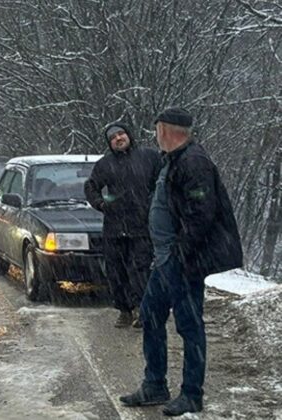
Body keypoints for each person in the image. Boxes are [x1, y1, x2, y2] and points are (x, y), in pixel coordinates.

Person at [120, 107, 243, 416]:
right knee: (149, 315)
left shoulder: (194, 162)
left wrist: (180, 254)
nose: (155, 135)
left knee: (189, 327)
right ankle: (155, 385)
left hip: (183, 262)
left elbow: (201, 215)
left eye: (157, 129)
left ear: (166, 130)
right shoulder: (172, 160)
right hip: (165, 262)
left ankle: (192, 394)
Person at [85, 122, 161, 328]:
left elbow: (163, 182)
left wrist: (157, 207)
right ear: (110, 144)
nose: (118, 138)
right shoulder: (104, 164)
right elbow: (91, 187)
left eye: (121, 134)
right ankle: (124, 310)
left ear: (129, 135)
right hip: (114, 228)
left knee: (140, 270)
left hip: (142, 227)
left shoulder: (150, 157)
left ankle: (143, 311)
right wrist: (101, 204)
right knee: (116, 272)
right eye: (113, 137)